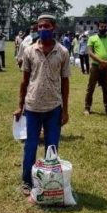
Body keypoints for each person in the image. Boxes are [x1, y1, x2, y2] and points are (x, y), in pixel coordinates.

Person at [14, 14, 70, 195]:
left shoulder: (62, 52)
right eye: (39, 27)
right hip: (32, 106)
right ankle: (26, 181)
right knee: (30, 145)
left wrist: (65, 110)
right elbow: (24, 81)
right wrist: (20, 105)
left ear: (54, 27)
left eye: (46, 26)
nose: (42, 30)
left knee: (51, 147)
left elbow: (65, 82)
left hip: (54, 106)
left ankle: (48, 180)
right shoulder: (29, 51)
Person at [84, 20, 107, 116]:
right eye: (101, 27)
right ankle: (87, 108)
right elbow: (90, 52)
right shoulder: (92, 38)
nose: (103, 28)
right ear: (98, 27)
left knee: (106, 89)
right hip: (95, 66)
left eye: (105, 26)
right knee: (90, 88)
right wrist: (101, 62)